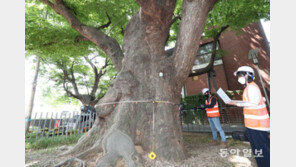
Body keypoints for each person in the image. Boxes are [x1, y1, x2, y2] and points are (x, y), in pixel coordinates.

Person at [227, 66, 270, 167]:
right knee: (258, 151)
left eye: (241, 75)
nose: (239, 78)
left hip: (258, 126)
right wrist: (235, 102)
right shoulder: (249, 88)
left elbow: (252, 103)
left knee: (262, 151)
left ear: (248, 75)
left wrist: (235, 103)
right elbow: (250, 102)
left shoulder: (252, 87)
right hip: (253, 125)